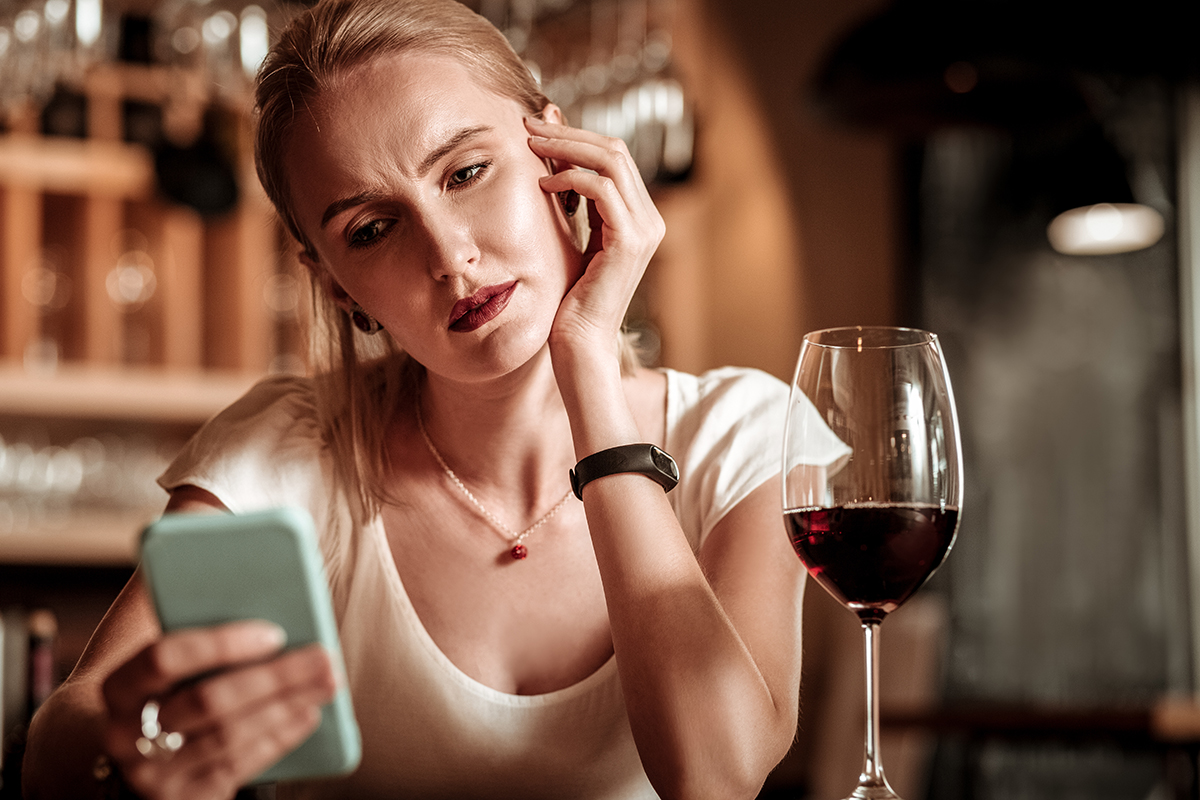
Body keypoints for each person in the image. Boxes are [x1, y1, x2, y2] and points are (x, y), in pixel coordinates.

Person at [22, 0, 845, 797]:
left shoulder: (744, 436)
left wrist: (588, 363)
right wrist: (126, 755)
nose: (450, 257)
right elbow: (63, 736)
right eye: (372, 229)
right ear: (337, 286)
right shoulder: (288, 451)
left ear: (561, 158)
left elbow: (716, 778)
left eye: (466, 172)